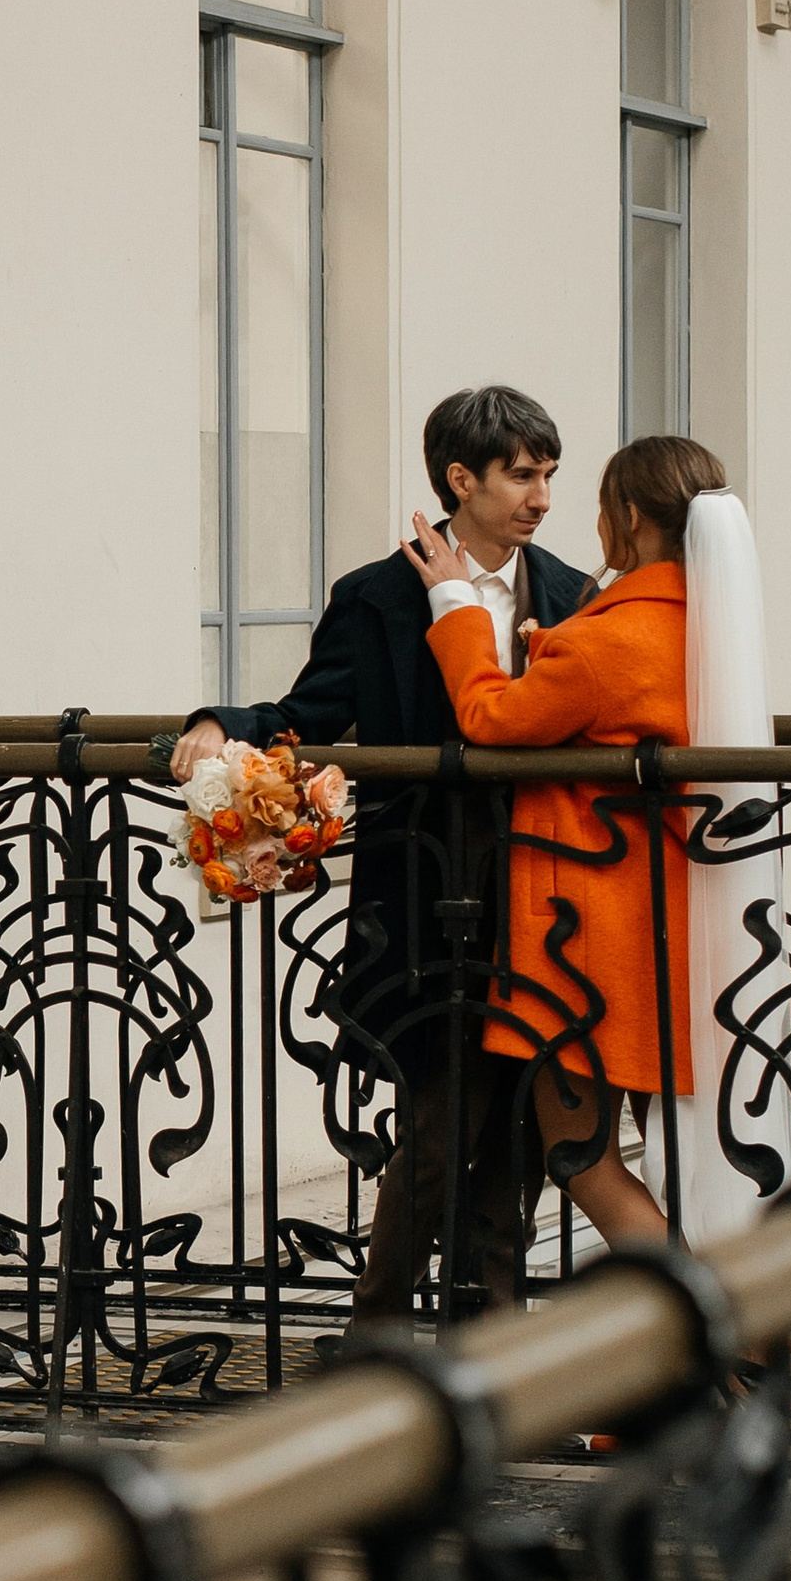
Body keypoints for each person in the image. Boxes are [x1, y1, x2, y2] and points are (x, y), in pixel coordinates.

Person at [172, 384, 594, 1321]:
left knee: (526, 1129)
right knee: (442, 1126)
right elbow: (309, 717)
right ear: (461, 479)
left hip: (543, 896)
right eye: (522, 475)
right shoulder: (376, 597)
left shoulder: (572, 594)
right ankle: (379, 1328)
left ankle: (492, 1335)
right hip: (427, 902)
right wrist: (217, 721)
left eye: (548, 475)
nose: (541, 497)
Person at [406, 431, 729, 1251]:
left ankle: (726, 1333)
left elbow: (488, 720)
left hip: (585, 939)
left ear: (625, 515)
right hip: (688, 922)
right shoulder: (717, 630)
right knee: (702, 1157)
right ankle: (771, 1334)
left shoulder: (604, 640)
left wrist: (458, 608)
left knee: (581, 1156)